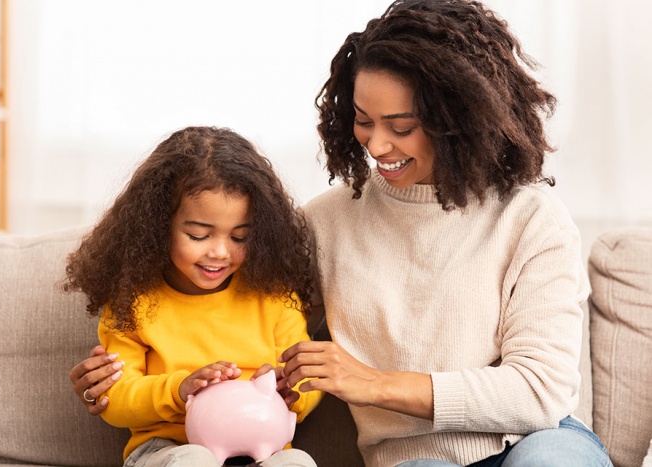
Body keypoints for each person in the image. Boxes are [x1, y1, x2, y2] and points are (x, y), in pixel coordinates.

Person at [71, 1, 613, 466]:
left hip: (539, 440)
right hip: (414, 455)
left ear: (460, 118)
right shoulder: (323, 224)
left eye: (401, 127)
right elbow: (243, 314)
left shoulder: (532, 218)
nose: (376, 146)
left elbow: (540, 391)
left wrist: (373, 383)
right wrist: (118, 381)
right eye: (362, 120)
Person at [64, 126, 322, 467]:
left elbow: (308, 376)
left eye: (239, 237)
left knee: (298, 463)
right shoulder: (134, 302)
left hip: (264, 448)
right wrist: (179, 390)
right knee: (195, 459)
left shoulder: (272, 296)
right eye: (198, 235)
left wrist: (293, 392)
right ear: (158, 226)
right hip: (167, 449)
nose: (220, 252)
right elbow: (115, 397)